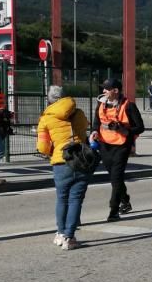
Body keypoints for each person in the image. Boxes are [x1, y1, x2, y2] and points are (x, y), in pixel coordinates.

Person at [37, 86, 91, 250]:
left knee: (62, 198)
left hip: (60, 161)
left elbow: (42, 147)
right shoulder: (79, 113)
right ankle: (70, 237)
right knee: (76, 199)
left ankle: (60, 233)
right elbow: (84, 129)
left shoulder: (45, 118)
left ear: (50, 100)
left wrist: (51, 150)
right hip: (80, 160)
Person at [91, 78, 145, 222]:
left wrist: (124, 129)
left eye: (106, 89)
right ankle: (125, 200)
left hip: (121, 146)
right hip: (104, 145)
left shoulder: (129, 106)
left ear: (115, 91)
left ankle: (114, 210)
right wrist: (94, 132)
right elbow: (97, 122)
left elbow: (140, 127)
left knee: (116, 177)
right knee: (115, 178)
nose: (103, 91)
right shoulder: (101, 103)